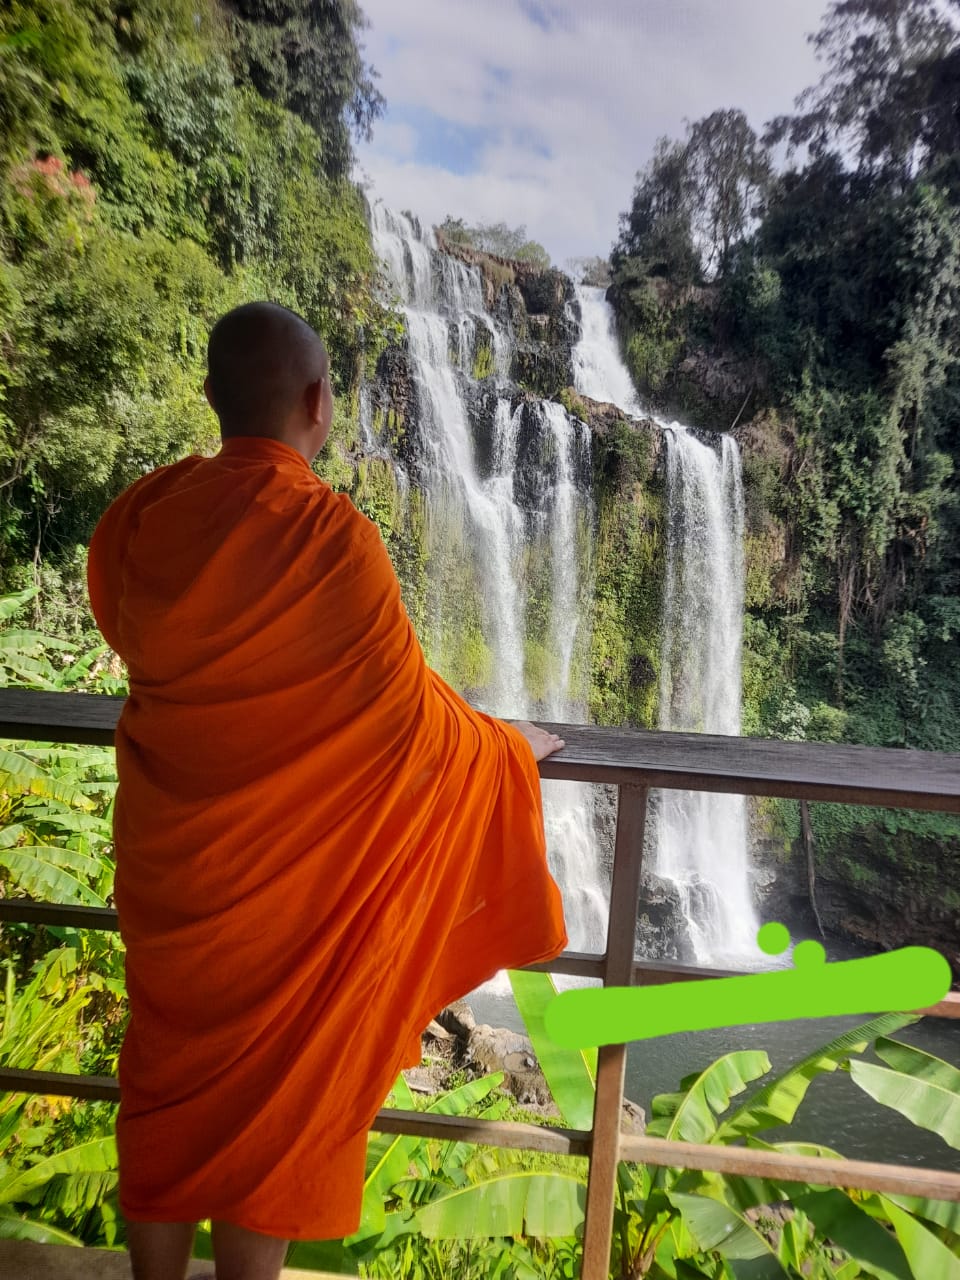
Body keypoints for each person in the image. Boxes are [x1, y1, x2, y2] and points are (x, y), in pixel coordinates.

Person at [87, 301, 568, 1280]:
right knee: (280, 1095)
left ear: (212, 395)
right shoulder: (330, 536)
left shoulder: (145, 513)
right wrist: (508, 748)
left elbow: (127, 630)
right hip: (286, 901)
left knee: (164, 1082)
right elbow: (411, 724)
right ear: (318, 403)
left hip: (173, 870)